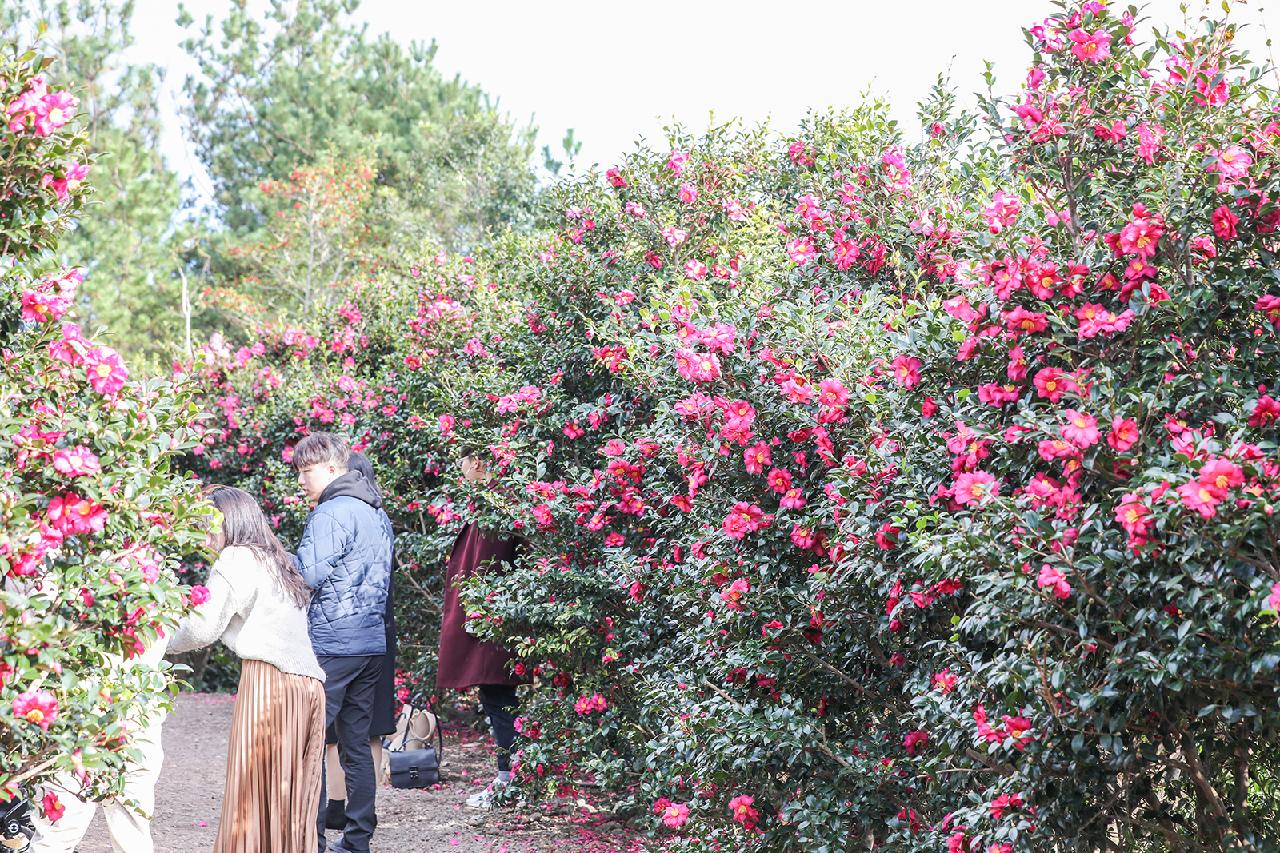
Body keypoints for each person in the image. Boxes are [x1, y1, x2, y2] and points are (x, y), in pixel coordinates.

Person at [168, 486, 326, 853]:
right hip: (308, 685)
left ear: (231, 523)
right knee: (288, 794)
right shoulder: (275, 558)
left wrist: (157, 640)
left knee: (251, 789)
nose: (205, 536)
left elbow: (201, 629)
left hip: (269, 682)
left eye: (209, 526)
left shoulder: (235, 559)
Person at [293, 433, 393, 853]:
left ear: (333, 469)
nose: (300, 480)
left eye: (306, 470)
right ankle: (357, 842)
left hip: (333, 646)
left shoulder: (332, 512)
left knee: (310, 744)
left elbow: (305, 578)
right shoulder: (377, 512)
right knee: (356, 746)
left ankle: (309, 841)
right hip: (371, 643)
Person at [436, 453, 526, 810]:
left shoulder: (496, 506)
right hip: (488, 627)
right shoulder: (493, 504)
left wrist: (478, 620)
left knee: (500, 700)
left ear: (478, 463)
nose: (460, 467)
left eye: (464, 460)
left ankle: (510, 781)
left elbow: (487, 570)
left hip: (491, 629)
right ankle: (510, 777)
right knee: (497, 700)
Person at [30, 637, 167, 853]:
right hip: (134, 715)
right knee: (132, 834)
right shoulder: (161, 606)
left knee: (56, 835)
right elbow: (197, 633)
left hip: (73, 714)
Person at [323, 451, 397, 831]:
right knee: (369, 727)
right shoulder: (380, 518)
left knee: (331, 732)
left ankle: (334, 805)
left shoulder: (339, 514)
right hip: (380, 633)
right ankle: (362, 812)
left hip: (343, 634)